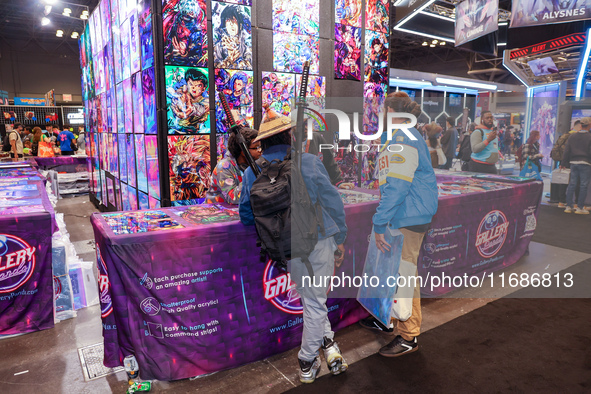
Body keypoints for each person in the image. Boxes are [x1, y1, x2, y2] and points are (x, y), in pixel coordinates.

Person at [239, 108, 348, 384]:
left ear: (262, 142)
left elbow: (246, 215)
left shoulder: (252, 173)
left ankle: (330, 348)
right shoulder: (309, 162)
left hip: (285, 248)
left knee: (312, 300)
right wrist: (341, 238)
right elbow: (333, 202)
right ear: (290, 135)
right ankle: (307, 361)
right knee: (315, 302)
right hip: (318, 240)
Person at [359, 92, 438, 358]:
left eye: (383, 109)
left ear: (392, 110)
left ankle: (409, 335)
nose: (380, 113)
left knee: (404, 275)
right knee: (391, 270)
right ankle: (387, 317)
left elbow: (398, 186)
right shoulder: (397, 136)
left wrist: (379, 221)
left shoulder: (404, 137)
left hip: (408, 215)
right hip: (401, 214)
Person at [206, 127, 261, 204]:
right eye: (256, 148)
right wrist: (250, 175)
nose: (260, 151)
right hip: (219, 212)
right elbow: (233, 198)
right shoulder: (223, 167)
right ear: (243, 151)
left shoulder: (256, 163)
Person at [562, 117, 591, 215]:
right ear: (589, 125)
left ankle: (568, 206)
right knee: (583, 185)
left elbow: (566, 151)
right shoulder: (590, 137)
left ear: (581, 125)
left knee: (572, 184)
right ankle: (580, 207)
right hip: (586, 163)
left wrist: (563, 163)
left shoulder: (572, 136)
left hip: (573, 162)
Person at [552, 121, 580, 208]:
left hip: (563, 161)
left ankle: (561, 201)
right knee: (576, 182)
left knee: (563, 181)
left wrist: (563, 162)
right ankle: (575, 203)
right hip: (573, 161)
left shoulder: (565, 135)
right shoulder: (576, 136)